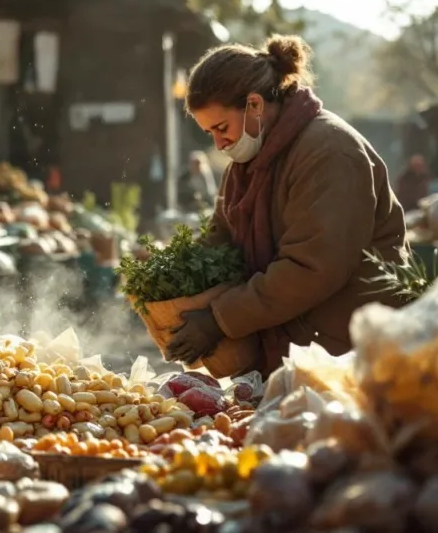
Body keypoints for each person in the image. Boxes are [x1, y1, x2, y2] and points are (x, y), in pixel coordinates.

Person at [164, 35, 407, 375]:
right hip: (297, 356)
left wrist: (220, 319)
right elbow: (221, 238)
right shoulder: (246, 165)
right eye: (210, 134)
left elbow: (312, 268)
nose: (219, 144)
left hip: (351, 358)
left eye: (221, 128)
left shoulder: (330, 151)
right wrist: (171, 279)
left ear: (254, 105)